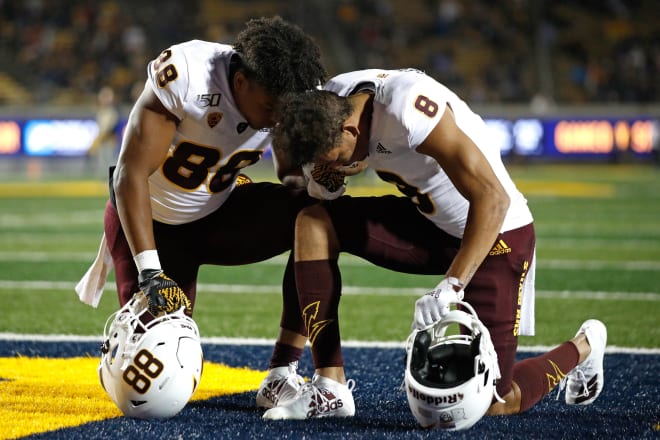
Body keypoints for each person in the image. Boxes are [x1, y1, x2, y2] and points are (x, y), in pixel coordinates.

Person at [259, 68, 607, 421]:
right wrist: (315, 179)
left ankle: (583, 346)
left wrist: (452, 285)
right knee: (314, 222)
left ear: (351, 129)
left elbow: (493, 198)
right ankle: (329, 386)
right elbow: (287, 154)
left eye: (334, 158)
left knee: (496, 403)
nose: (334, 166)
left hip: (493, 235)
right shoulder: (330, 102)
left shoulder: (407, 107)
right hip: (427, 222)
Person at [75, 17, 327, 396]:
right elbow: (130, 174)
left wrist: (316, 179)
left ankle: (282, 371)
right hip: (152, 225)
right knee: (150, 382)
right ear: (241, 83)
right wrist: (150, 273)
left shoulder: (286, 93)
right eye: (271, 106)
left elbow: (288, 172)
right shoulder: (188, 75)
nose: (278, 117)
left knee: (317, 216)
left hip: (218, 214)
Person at [87, 85, 120, 177]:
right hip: (103, 141)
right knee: (103, 164)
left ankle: (112, 183)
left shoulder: (112, 112)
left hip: (109, 141)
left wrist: (97, 141)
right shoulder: (101, 112)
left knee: (110, 162)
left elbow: (109, 129)